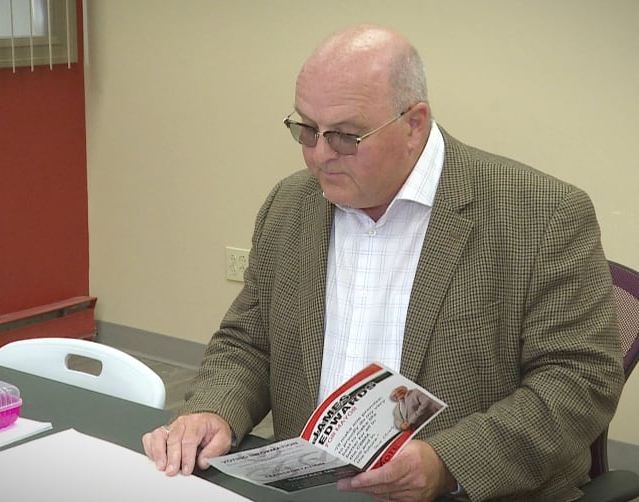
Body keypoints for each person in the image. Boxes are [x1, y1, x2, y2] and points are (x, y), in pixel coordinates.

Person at [142, 24, 624, 501]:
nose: (319, 156)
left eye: (347, 137)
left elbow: (578, 379)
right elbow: (248, 341)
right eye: (306, 129)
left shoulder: (540, 213)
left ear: (413, 124)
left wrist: (447, 464)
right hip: (312, 489)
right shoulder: (291, 206)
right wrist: (213, 410)